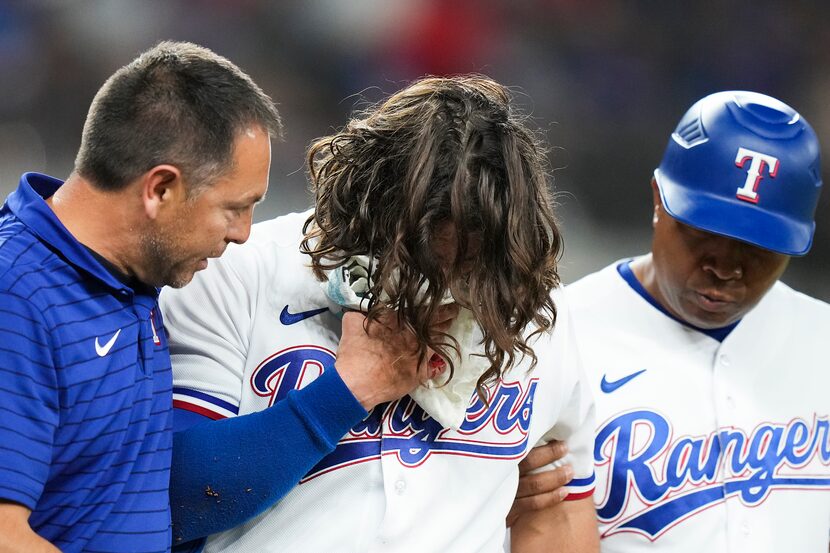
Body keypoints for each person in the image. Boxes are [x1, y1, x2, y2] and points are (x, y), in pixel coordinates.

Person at [162, 75, 600, 552]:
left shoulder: (532, 308)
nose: (447, 293)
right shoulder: (237, 271)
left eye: (472, 267)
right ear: (366, 207)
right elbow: (165, 500)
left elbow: (558, 505)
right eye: (427, 260)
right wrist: (348, 389)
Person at [510, 90, 830, 552]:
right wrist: (491, 486)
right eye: (705, 234)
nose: (725, 266)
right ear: (659, 199)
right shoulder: (552, 336)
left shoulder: (821, 339)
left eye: (757, 249)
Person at [0, 41, 282, 552]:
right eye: (234, 207)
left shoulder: (131, 277)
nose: (243, 233)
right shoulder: (16, 295)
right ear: (160, 190)